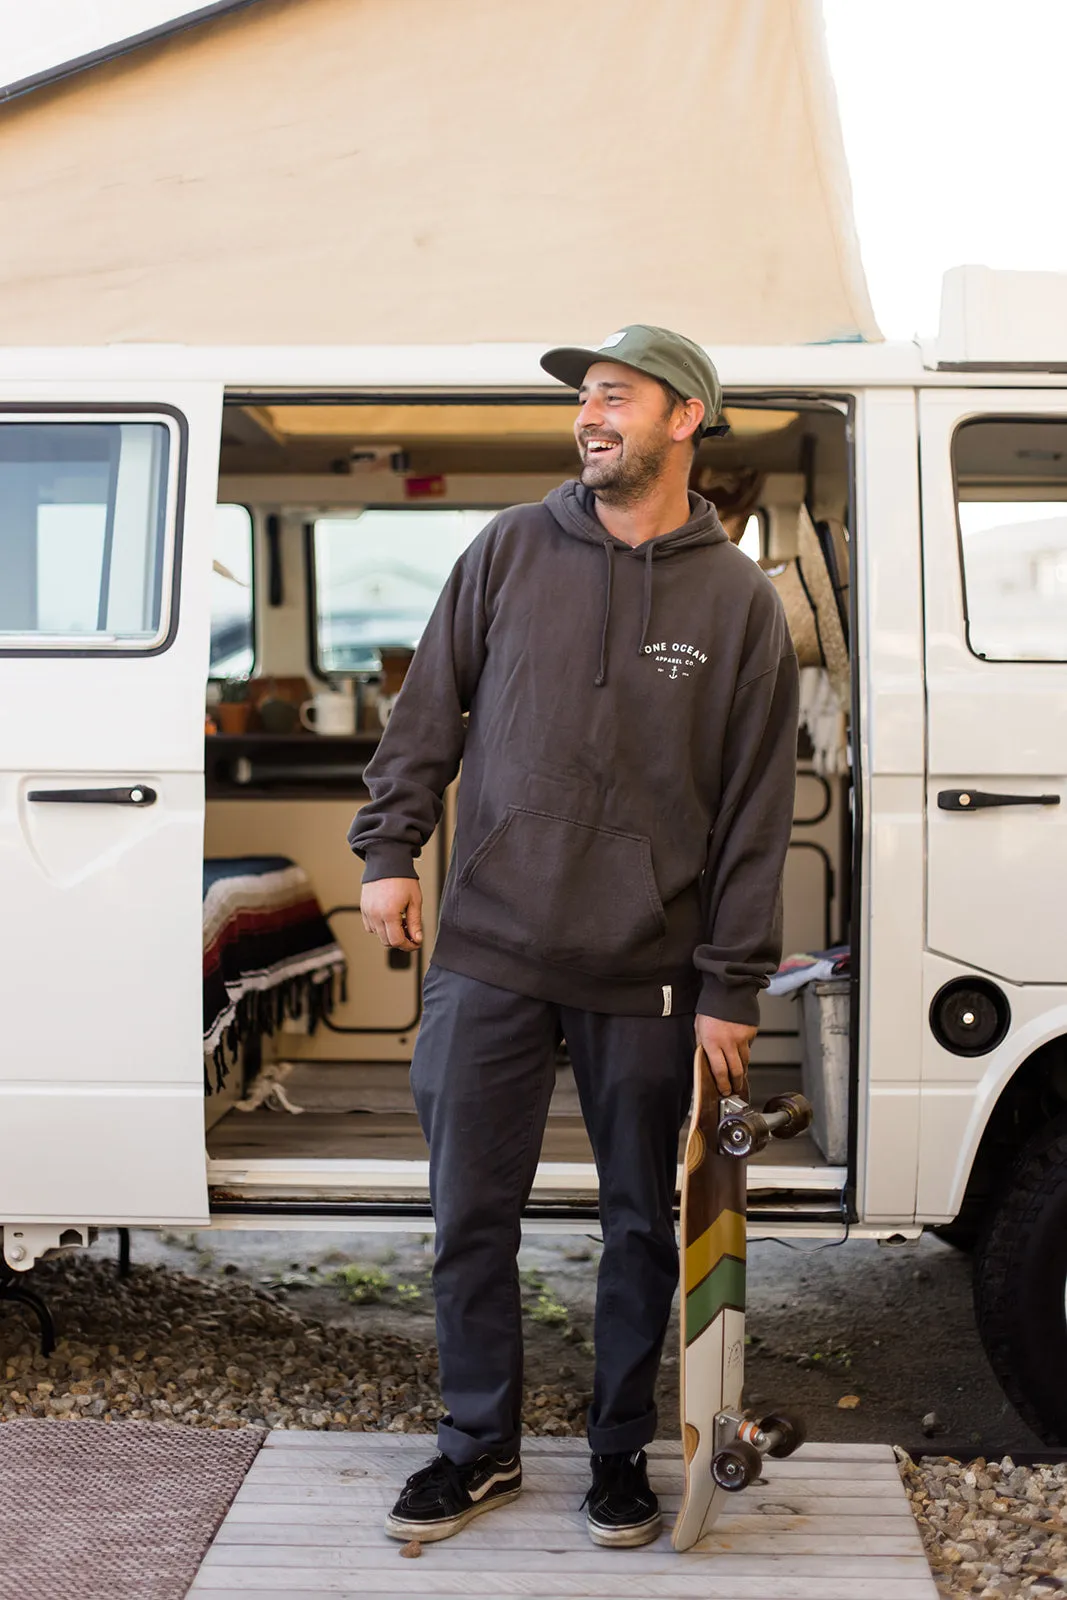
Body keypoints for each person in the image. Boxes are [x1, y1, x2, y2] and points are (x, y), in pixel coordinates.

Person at [348, 325, 799, 1548]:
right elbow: (425, 703)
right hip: (487, 947)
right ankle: (476, 1447)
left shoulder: (737, 604)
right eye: (583, 398)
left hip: (648, 972)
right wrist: (390, 848)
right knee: (468, 1214)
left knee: (642, 1224)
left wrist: (730, 986)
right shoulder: (506, 548)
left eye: (614, 395)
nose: (588, 415)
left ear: (683, 418)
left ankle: (616, 1454)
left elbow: (758, 808)